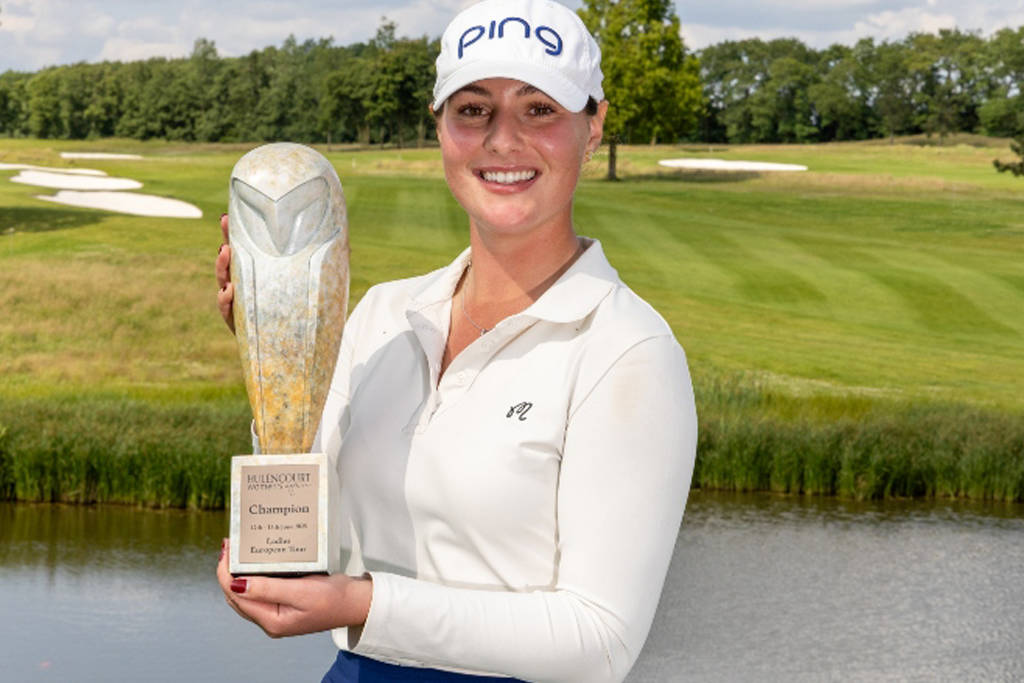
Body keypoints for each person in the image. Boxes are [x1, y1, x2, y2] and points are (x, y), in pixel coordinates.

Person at [215, 0, 697, 681]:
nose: (502, 141)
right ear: (439, 126)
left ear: (594, 127)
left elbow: (600, 637)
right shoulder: (381, 315)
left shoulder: (626, 350)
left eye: (539, 110)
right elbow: (308, 550)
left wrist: (363, 602)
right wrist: (276, 361)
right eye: (473, 110)